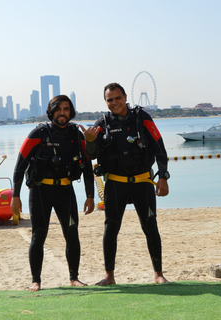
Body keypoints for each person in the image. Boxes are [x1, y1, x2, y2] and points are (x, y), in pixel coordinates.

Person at [80, 82, 170, 285]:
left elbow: (159, 147)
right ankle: (109, 276)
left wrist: (162, 176)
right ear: (105, 102)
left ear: (125, 97)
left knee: (150, 226)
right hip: (115, 184)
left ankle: (158, 274)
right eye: (109, 100)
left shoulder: (142, 118)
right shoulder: (101, 122)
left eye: (117, 98)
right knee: (111, 228)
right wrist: (90, 141)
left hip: (143, 182)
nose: (114, 103)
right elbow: (92, 155)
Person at [11, 94, 95, 291]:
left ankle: (74, 277)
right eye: (58, 109)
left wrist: (90, 196)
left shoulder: (76, 134)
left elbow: (88, 167)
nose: (62, 113)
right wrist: (16, 195)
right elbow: (19, 165)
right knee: (38, 235)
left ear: (70, 112)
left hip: (66, 190)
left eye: (66, 109)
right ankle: (36, 280)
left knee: (72, 234)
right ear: (51, 112)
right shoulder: (38, 133)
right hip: (41, 192)